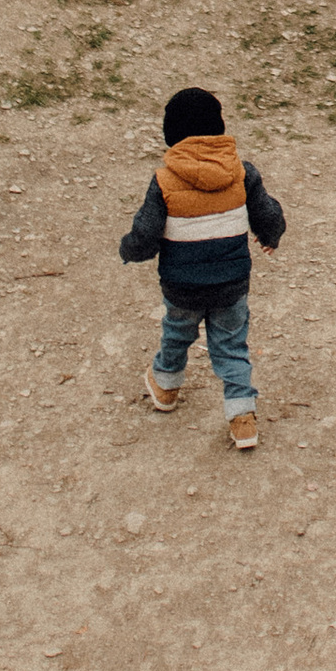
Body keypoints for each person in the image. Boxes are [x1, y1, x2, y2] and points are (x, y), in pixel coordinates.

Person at [119, 84, 286, 452]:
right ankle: (243, 418)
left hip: (182, 286)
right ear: (218, 128)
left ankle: (166, 387)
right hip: (231, 284)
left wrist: (130, 249)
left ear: (171, 134)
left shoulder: (164, 181)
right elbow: (267, 212)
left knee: (177, 333)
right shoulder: (242, 173)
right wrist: (270, 235)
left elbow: (146, 233)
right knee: (231, 346)